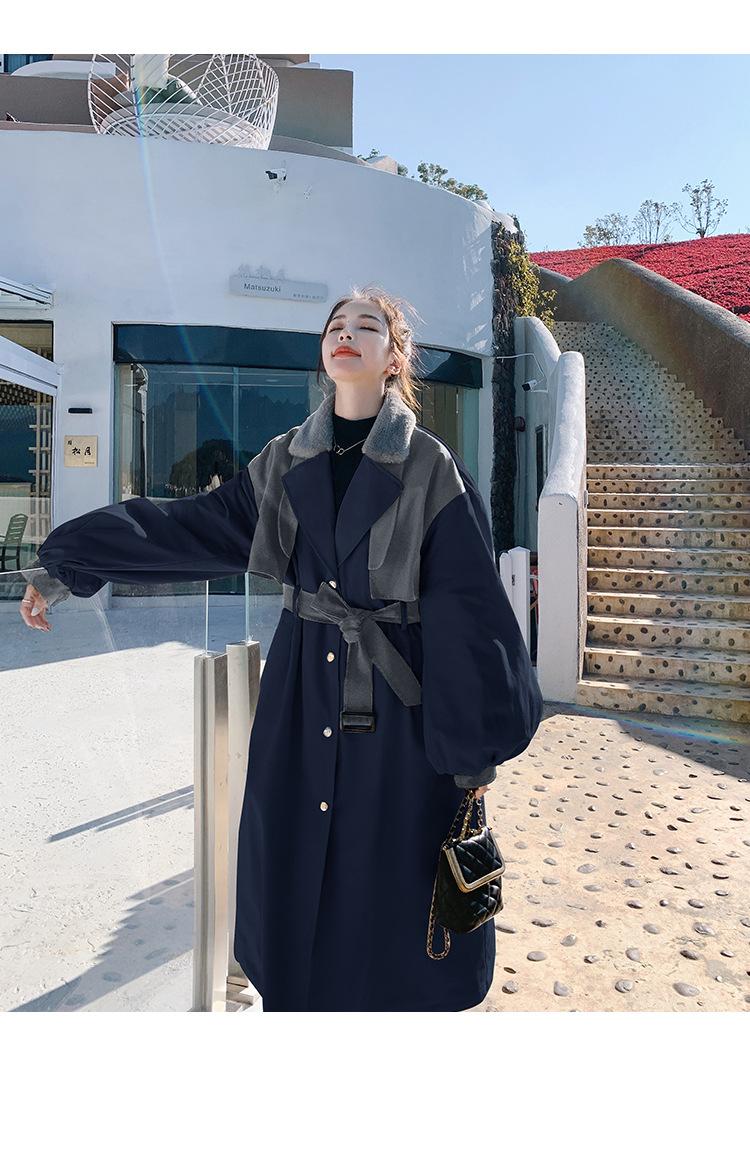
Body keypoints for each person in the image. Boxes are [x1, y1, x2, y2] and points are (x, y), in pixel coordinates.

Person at [19, 283, 545, 1012]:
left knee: (387, 885)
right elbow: (187, 528)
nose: (347, 334)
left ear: (395, 358)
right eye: (336, 325)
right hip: (302, 695)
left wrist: (471, 750)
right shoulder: (284, 462)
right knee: (296, 870)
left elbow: (469, 611)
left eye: (367, 326)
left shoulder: (430, 467)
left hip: (399, 710)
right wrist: (66, 565)